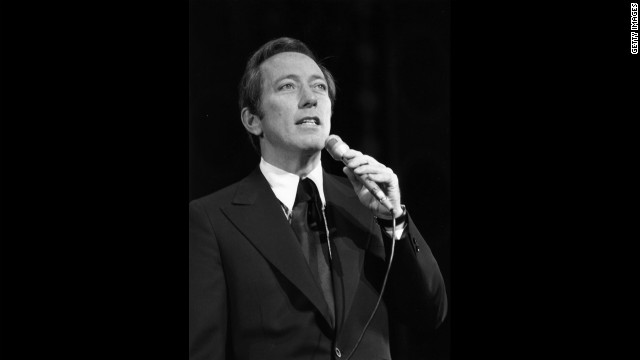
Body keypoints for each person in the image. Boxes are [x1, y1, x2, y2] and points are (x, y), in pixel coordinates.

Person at [189, 37, 447, 360]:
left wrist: (392, 220)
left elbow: (429, 313)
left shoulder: (366, 204)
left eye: (320, 88)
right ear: (253, 120)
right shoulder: (212, 220)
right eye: (287, 87)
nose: (310, 98)